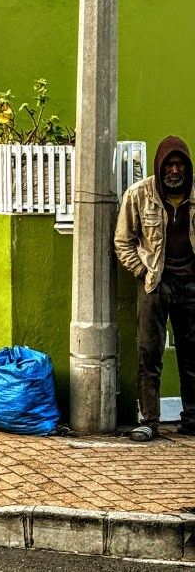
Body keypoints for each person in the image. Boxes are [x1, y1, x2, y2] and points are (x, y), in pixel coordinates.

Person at [114, 136, 195, 442]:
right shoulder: (139, 194)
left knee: (192, 355)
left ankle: (191, 418)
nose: (174, 170)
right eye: (169, 165)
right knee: (150, 352)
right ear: (159, 167)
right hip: (154, 284)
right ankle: (149, 420)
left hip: (191, 285)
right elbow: (123, 240)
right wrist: (141, 271)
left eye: (179, 164)